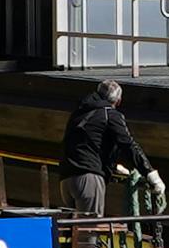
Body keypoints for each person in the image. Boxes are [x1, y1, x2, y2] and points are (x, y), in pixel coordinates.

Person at [57, 77, 161, 219]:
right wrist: (150, 173)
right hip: (89, 177)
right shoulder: (110, 115)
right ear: (118, 101)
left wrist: (113, 167)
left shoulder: (79, 113)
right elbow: (128, 145)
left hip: (66, 178)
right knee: (88, 232)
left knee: (70, 231)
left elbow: (88, 142)